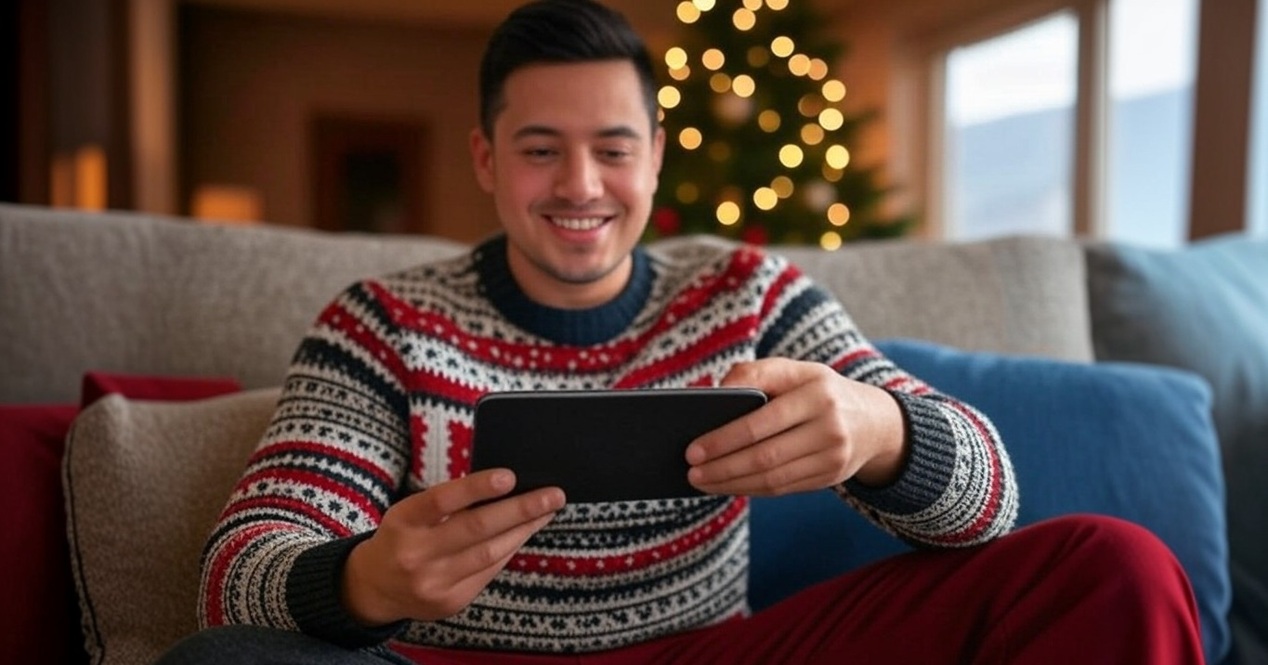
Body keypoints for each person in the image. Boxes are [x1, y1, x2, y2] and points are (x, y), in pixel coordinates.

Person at [157, 1, 1204, 663]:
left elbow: (991, 498)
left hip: (706, 650)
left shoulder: (746, 290)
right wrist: (367, 580)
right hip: (442, 660)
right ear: (484, 159)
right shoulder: (380, 323)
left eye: (613, 148)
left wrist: (879, 427)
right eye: (538, 150)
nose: (579, 185)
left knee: (1110, 562)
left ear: (655, 157)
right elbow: (239, 568)